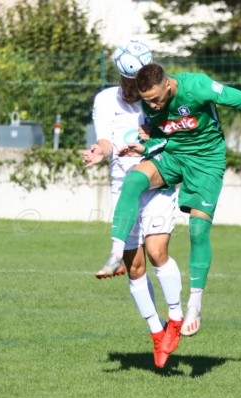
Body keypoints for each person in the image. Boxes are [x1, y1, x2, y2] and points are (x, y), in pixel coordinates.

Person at [98, 63, 241, 351]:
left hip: (207, 162)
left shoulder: (197, 86)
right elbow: (161, 138)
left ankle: (195, 304)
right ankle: (114, 253)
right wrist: (144, 148)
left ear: (168, 84)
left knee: (198, 229)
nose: (152, 104)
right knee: (134, 179)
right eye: (147, 100)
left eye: (156, 98)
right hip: (173, 155)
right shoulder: (150, 103)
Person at [82, 42, 182, 369]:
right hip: (121, 186)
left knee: (156, 253)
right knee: (135, 266)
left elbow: (172, 137)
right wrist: (100, 151)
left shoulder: (158, 98)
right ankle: (157, 332)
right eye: (124, 81)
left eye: (134, 82)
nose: (129, 89)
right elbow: (107, 140)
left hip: (156, 181)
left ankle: (177, 317)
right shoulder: (104, 99)